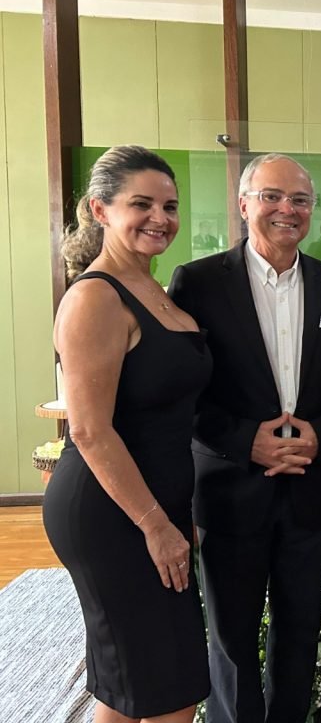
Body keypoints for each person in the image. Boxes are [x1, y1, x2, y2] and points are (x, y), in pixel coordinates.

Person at [168, 153, 321, 723]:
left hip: (310, 486)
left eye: (300, 199)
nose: (288, 208)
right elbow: (182, 387)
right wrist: (245, 441)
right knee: (231, 638)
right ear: (244, 205)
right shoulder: (198, 283)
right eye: (272, 196)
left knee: (300, 632)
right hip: (231, 488)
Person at [43, 145, 211, 723]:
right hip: (112, 511)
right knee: (167, 690)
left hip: (155, 502)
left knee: (135, 681)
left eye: (170, 206)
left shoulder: (152, 288)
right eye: (141, 204)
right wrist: (155, 525)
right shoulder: (95, 297)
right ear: (101, 209)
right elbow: (90, 431)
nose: (159, 218)